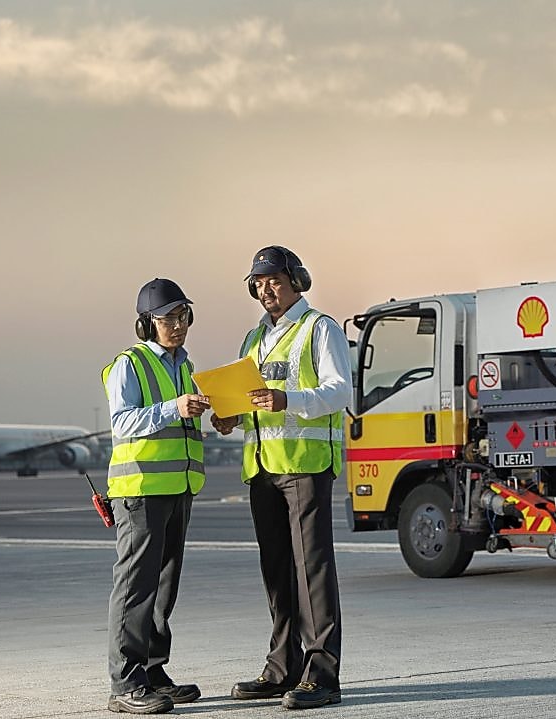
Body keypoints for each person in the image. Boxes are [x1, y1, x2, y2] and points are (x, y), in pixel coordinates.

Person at [212, 246, 352, 711]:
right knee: (276, 572)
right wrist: (229, 417)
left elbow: (339, 392)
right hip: (262, 467)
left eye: (273, 279)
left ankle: (321, 674)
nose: (264, 288)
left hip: (305, 465)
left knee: (312, 571)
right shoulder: (252, 339)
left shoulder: (320, 328)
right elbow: (247, 400)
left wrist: (284, 398)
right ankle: (281, 669)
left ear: (296, 279)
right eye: (257, 282)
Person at [101, 278, 210, 715]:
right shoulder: (130, 365)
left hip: (178, 489)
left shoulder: (185, 367)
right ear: (146, 325)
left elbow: (183, 424)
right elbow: (123, 422)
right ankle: (125, 683)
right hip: (140, 491)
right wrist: (174, 408)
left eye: (183, 316)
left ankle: (152, 669)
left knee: (164, 587)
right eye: (168, 318)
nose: (178, 325)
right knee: (134, 587)